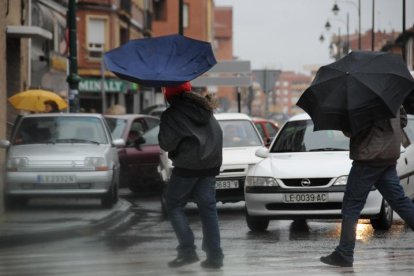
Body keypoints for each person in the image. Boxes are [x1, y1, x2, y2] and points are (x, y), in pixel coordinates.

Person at [320, 106, 414, 267]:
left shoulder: (361, 102)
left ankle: (345, 253)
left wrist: (345, 122)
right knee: (399, 200)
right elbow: (403, 121)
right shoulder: (390, 96)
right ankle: (344, 252)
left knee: (351, 206)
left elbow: (351, 131)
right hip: (388, 157)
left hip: (368, 159)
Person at [158, 81, 224, 269]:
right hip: (209, 166)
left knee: (173, 204)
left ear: (169, 94)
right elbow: (217, 135)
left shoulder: (173, 114)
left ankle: (188, 251)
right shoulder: (206, 111)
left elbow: (166, 144)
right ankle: (215, 256)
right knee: (208, 209)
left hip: (187, 166)